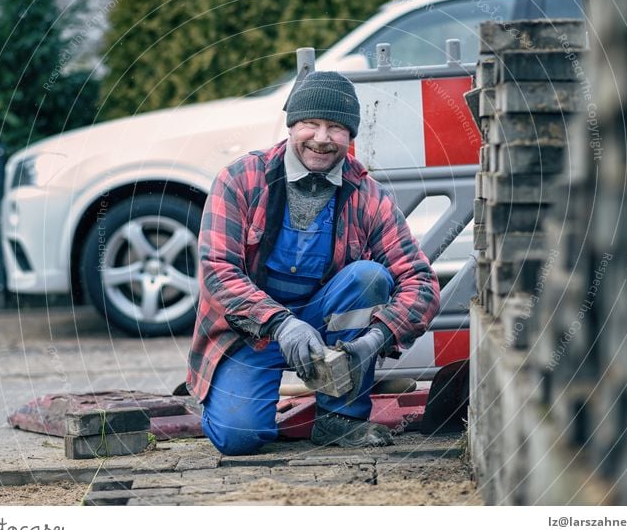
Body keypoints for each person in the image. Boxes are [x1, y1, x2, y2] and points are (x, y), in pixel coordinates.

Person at [187, 71, 440, 456]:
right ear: (292, 126)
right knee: (238, 438)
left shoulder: (368, 195)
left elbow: (420, 282)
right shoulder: (240, 179)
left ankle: (340, 417)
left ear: (350, 137)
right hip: (252, 333)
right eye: (310, 124)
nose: (322, 139)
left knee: (368, 278)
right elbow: (217, 272)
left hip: (329, 333)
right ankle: (230, 394)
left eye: (336, 128)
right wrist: (282, 324)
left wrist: (375, 340)